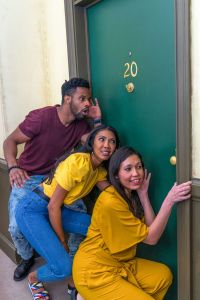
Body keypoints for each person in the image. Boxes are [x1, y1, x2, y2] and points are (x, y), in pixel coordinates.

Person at [3, 77, 102, 281]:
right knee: (15, 226)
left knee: (80, 210)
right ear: (67, 99)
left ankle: (75, 260)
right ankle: (27, 258)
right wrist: (12, 166)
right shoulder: (41, 117)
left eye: (89, 99)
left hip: (56, 180)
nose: (87, 103)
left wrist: (97, 119)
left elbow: (97, 145)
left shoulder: (82, 127)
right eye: (82, 98)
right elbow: (10, 140)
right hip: (27, 177)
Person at [73, 146, 192, 300]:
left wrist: (143, 196)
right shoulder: (110, 201)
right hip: (94, 270)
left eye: (139, 167)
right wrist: (169, 200)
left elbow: (150, 228)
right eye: (128, 169)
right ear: (116, 175)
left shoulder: (129, 196)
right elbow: (152, 238)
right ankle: (85, 294)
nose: (135, 173)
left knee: (163, 276)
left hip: (120, 264)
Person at [15, 125, 120, 300]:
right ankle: (34, 278)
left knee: (98, 227)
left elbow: (111, 193)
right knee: (63, 266)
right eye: (102, 139)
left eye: (112, 141)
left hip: (56, 209)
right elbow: (52, 207)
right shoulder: (78, 163)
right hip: (32, 210)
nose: (107, 145)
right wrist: (62, 241)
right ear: (91, 142)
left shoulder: (98, 170)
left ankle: (81, 273)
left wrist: (136, 194)